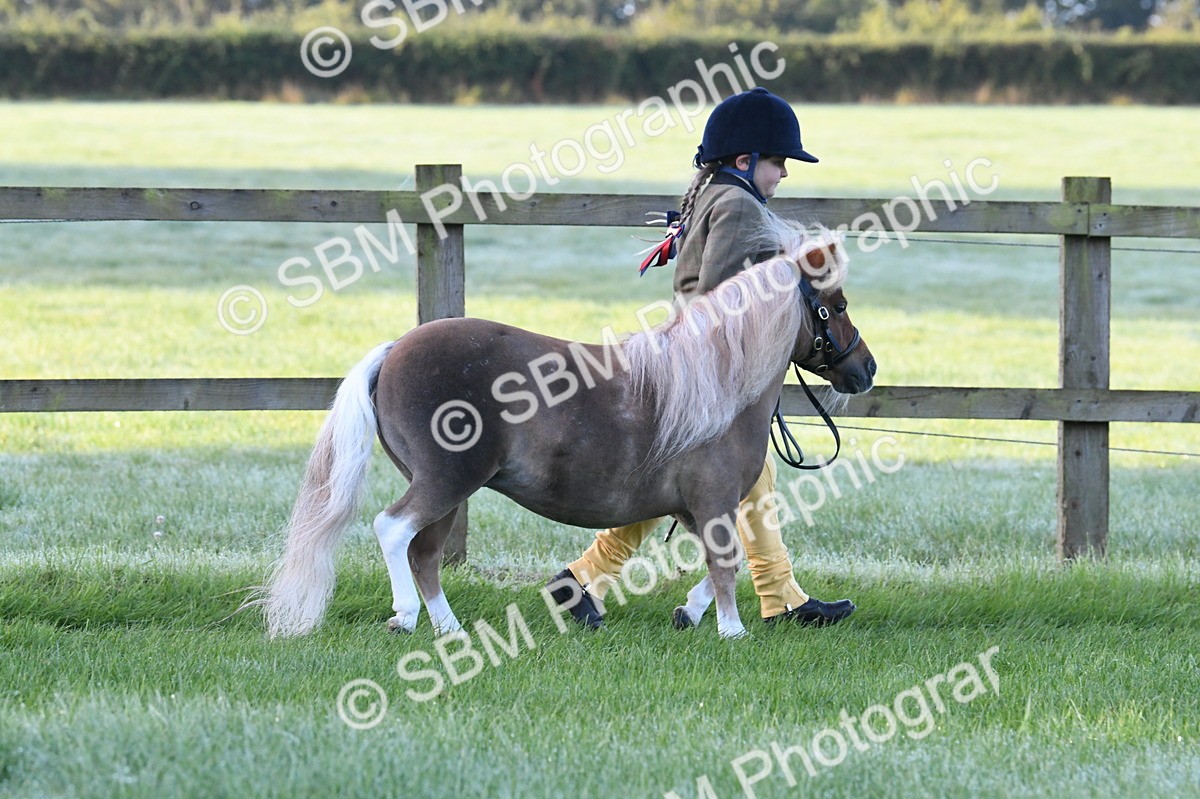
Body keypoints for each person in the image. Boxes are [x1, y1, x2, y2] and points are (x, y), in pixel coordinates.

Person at [546, 87, 856, 630]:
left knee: (726, 477)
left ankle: (589, 579)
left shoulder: (721, 192)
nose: (783, 173)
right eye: (778, 162)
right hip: (711, 368)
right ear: (746, 160)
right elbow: (719, 295)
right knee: (731, 474)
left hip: (705, 365)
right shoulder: (737, 204)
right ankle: (773, 599)